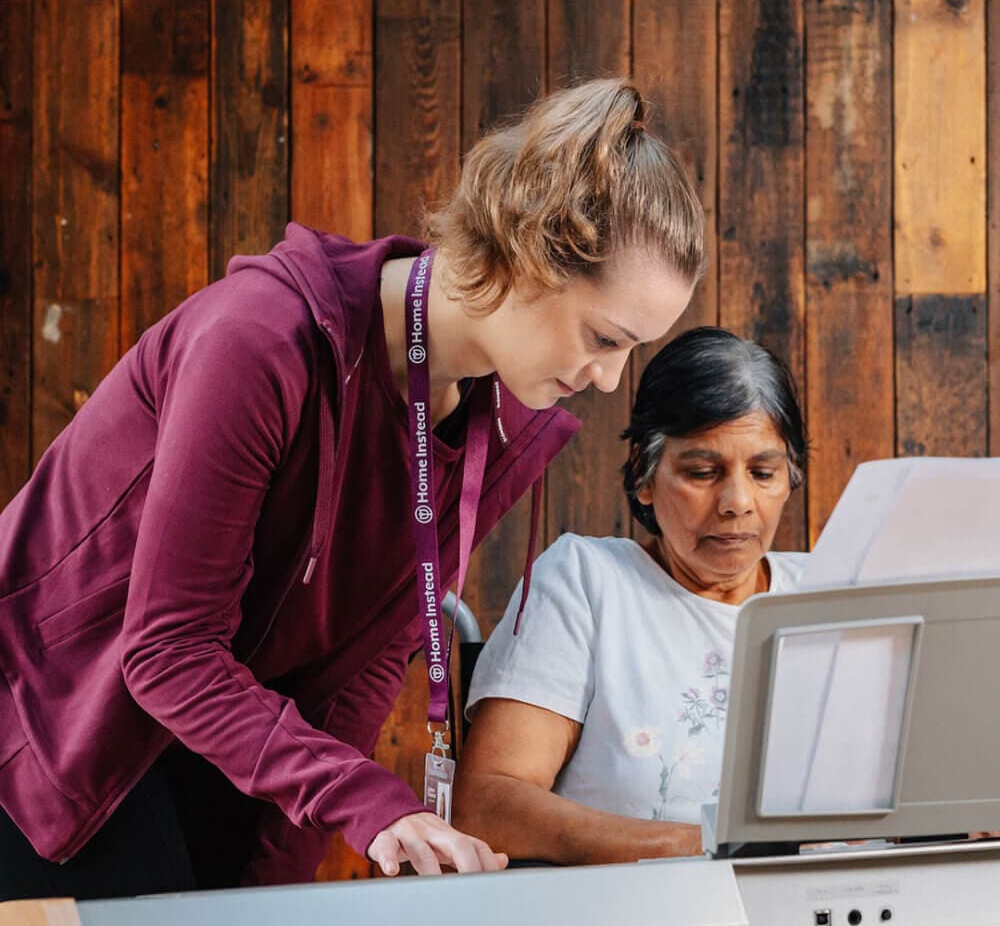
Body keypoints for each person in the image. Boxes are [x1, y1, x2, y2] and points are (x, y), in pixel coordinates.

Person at [0, 78, 703, 899]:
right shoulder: (259, 341)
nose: (610, 378)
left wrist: (276, 891)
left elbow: (364, 667)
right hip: (52, 723)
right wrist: (368, 802)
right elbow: (166, 651)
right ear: (529, 252)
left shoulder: (508, 422)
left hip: (212, 738)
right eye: (603, 337)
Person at [453, 327, 809, 865]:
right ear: (645, 474)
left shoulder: (831, 593)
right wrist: (707, 850)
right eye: (702, 472)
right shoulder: (588, 584)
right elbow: (488, 804)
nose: (738, 502)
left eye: (763, 472)